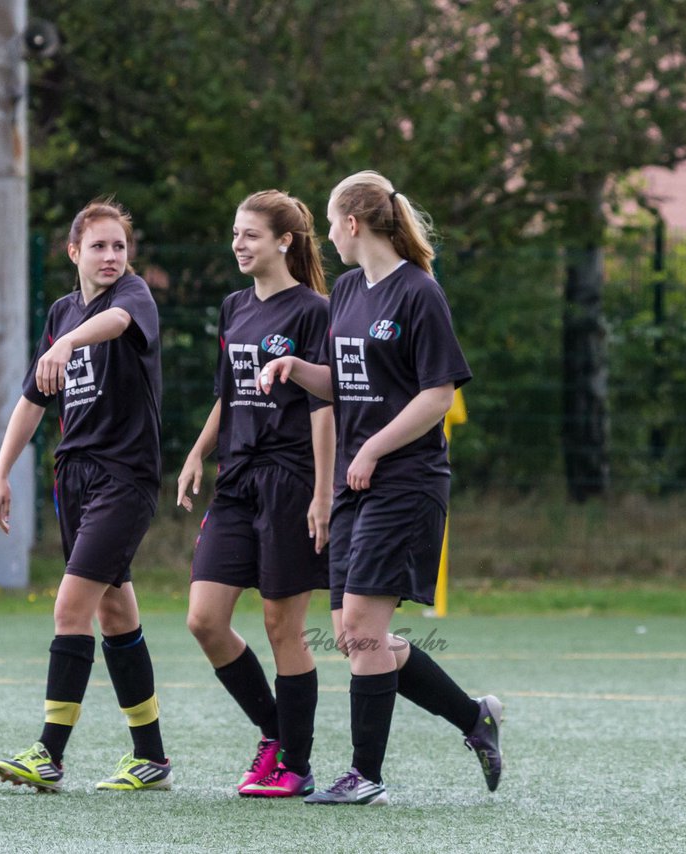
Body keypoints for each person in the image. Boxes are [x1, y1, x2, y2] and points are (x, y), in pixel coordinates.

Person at [259, 170, 502, 806]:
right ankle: (474, 718)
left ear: (353, 224)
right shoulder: (345, 291)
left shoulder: (420, 293)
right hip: (354, 485)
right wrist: (295, 369)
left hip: (405, 481)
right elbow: (343, 382)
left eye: (331, 222)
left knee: (364, 630)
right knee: (354, 636)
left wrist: (370, 446)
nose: (328, 234)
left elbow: (438, 394)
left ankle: (365, 777)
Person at [0, 198, 171, 793]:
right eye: (98, 246)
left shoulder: (131, 298)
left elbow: (115, 325)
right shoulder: (63, 310)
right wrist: (0, 472)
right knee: (115, 611)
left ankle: (49, 753)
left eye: (119, 245)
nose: (111, 255)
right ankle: (151, 757)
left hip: (125, 476)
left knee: (72, 607)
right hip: (77, 477)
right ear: (74, 252)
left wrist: (67, 344)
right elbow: (33, 401)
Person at [177, 190, 332, 798]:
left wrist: (322, 493)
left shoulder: (315, 311)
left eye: (251, 235)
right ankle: (278, 735)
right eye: (235, 234)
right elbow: (230, 393)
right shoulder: (234, 306)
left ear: (284, 241)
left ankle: (296, 766)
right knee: (204, 620)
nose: (238, 244)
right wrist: (197, 452)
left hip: (290, 482)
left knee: (280, 628)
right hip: (237, 483)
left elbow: (325, 408)